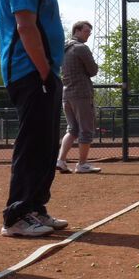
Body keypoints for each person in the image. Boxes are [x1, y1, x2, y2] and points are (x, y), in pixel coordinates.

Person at [0, 0, 68, 236]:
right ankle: (17, 216)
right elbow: (25, 26)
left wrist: (49, 72)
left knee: (46, 144)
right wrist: (43, 71)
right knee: (33, 143)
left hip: (43, 73)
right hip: (30, 72)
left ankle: (35, 208)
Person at [56, 20, 101, 174]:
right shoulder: (81, 48)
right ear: (77, 30)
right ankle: (82, 164)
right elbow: (93, 70)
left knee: (72, 129)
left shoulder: (63, 48)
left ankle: (61, 161)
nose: (89, 34)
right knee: (86, 130)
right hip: (81, 94)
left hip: (66, 94)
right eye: (86, 31)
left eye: (89, 32)